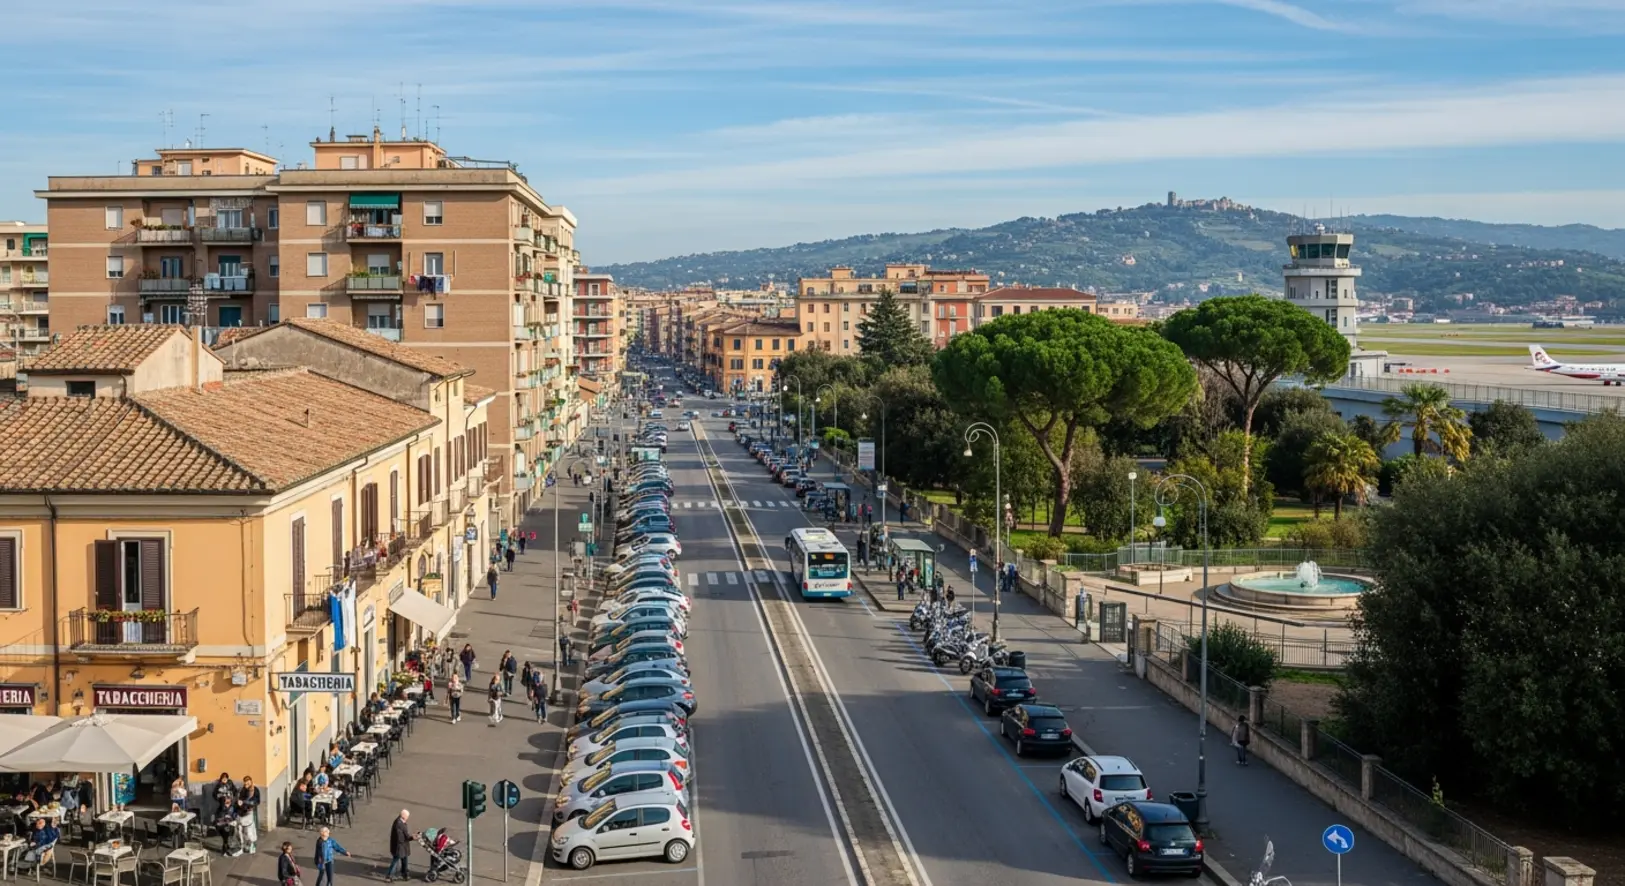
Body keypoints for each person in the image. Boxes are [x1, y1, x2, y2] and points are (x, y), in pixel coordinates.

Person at [385, 809, 416, 882]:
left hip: (402, 847)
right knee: (395, 861)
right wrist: (411, 837)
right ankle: (389, 876)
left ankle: (404, 874)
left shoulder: (400, 821)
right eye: (407, 817)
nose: (408, 818)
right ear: (404, 816)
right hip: (399, 847)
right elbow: (401, 838)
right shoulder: (399, 824)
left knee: (404, 859)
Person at [238, 775, 262, 855]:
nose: (246, 785)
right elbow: (240, 798)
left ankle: (252, 843)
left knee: (250, 829)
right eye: (245, 784)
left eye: (248, 783)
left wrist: (245, 802)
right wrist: (240, 802)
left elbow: (257, 801)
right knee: (242, 830)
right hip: (243, 811)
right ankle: (246, 844)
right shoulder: (243, 790)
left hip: (251, 811)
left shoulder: (255, 790)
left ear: (251, 782)